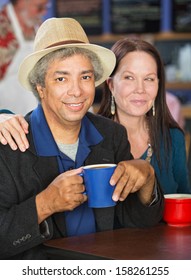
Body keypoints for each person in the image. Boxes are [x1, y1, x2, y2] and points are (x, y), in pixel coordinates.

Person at [0, 17, 163, 260]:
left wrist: (148, 179)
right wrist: (44, 204)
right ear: (40, 87)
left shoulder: (111, 135)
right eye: (61, 78)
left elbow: (138, 223)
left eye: (85, 77)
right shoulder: (10, 144)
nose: (76, 91)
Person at [97, 38, 191, 195]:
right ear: (111, 85)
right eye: (129, 77)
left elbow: (183, 200)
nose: (140, 89)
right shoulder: (91, 136)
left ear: (158, 85)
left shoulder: (173, 138)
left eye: (149, 79)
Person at [0, 0, 49, 115]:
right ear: (21, 2)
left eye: (46, 7)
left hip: (37, 120)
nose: (44, 11)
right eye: (39, 7)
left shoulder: (39, 28)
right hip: (6, 122)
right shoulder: (3, 29)